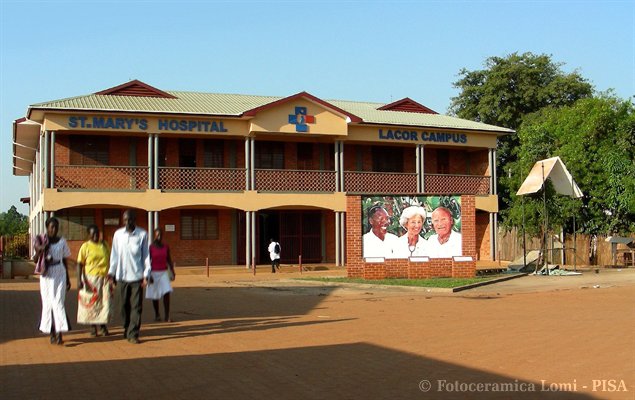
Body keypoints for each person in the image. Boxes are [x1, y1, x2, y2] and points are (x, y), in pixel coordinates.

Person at [108, 209, 151, 344]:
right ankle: (127, 327)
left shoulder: (142, 234)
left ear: (134, 220)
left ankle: (133, 333)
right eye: (125, 220)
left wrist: (146, 275)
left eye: (130, 220)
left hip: (137, 278)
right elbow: (114, 255)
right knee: (123, 306)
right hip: (121, 277)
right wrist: (111, 273)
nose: (127, 222)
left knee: (136, 307)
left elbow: (146, 257)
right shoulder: (118, 235)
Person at [35, 217, 72, 345]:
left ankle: (60, 333)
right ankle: (52, 333)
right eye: (52, 227)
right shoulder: (41, 240)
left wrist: (67, 278)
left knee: (59, 302)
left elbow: (65, 259)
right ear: (47, 227)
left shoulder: (62, 241)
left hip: (59, 272)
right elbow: (35, 259)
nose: (54, 229)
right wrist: (42, 248)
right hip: (46, 275)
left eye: (56, 227)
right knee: (48, 303)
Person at [77, 224, 112, 337]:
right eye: (93, 234)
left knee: (105, 303)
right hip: (90, 279)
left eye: (97, 233)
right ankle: (93, 328)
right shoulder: (85, 246)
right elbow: (79, 264)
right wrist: (79, 280)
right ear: (89, 235)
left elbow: (110, 259)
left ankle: (103, 326)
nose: (96, 236)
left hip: (104, 278)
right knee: (92, 304)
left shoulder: (105, 245)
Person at [146, 228, 175, 322]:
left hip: (163, 272)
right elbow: (147, 262)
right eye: (157, 234)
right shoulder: (150, 247)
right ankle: (157, 314)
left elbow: (169, 259)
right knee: (155, 295)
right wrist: (147, 275)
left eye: (161, 235)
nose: (159, 236)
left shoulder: (166, 247)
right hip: (154, 272)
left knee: (167, 292)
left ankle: (167, 315)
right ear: (154, 235)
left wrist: (172, 270)